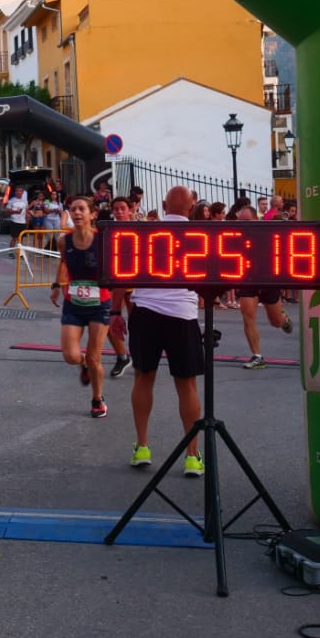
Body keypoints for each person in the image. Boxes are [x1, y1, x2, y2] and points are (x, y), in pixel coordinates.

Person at [126, 185, 206, 477]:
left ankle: (142, 446)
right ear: (192, 208)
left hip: (145, 311)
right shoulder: (199, 235)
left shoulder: (145, 232)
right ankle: (192, 456)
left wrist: (115, 312)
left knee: (143, 378)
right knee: (187, 385)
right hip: (182, 315)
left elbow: (126, 271)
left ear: (163, 205)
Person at [52, 194, 113, 418]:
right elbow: (63, 262)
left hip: (99, 303)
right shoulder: (64, 241)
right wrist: (56, 284)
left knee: (95, 357)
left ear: (92, 214)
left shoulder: (102, 240)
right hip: (74, 303)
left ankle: (97, 399)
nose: (76, 213)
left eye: (81, 209)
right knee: (70, 355)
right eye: (73, 209)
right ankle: (83, 363)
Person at [232, 203, 294, 368]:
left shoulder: (267, 234)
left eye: (247, 221)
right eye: (240, 221)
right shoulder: (235, 236)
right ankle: (257, 356)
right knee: (247, 316)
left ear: (256, 219)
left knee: (276, 321)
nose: (243, 224)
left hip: (268, 279)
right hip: (248, 280)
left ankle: (284, 319)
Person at [105, 196, 135, 379]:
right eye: (116, 209)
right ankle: (122, 357)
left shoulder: (139, 229)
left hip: (135, 283)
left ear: (130, 210)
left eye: (123, 208)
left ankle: (139, 356)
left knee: (137, 324)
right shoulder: (109, 230)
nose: (119, 211)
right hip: (115, 281)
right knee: (108, 320)